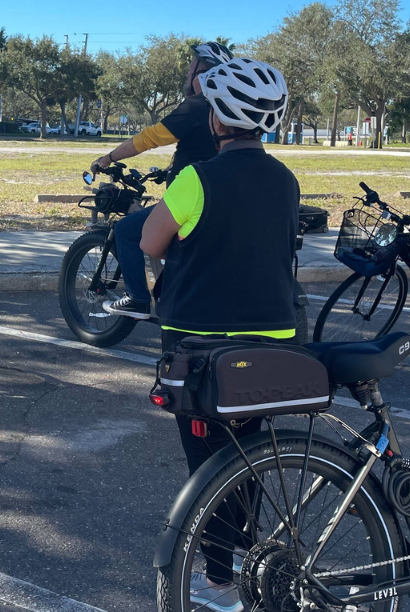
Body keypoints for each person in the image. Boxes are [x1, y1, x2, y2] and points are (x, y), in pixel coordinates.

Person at [140, 58, 296, 609]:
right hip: (272, 339)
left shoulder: (196, 178)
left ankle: (221, 579)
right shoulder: (286, 179)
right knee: (252, 454)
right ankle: (250, 562)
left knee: (206, 465)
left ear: (217, 122)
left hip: (200, 343)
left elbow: (151, 243)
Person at [91, 41, 233, 320]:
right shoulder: (224, 109)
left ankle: (138, 298)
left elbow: (150, 138)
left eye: (191, 67)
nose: (188, 72)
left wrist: (108, 158)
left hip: (190, 200)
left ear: (200, 72)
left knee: (127, 231)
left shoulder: (195, 106)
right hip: (221, 198)